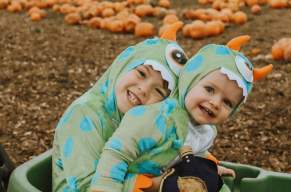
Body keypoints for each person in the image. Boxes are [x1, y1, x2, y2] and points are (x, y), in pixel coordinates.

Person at [90, 35, 273, 192]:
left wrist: (210, 166)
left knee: (214, 184)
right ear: (189, 81)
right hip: (127, 182)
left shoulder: (205, 129)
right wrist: (106, 187)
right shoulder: (156, 118)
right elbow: (116, 153)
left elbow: (192, 150)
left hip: (164, 179)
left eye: (227, 102)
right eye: (209, 89)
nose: (215, 103)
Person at [52, 22, 188, 192]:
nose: (144, 89)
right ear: (123, 65)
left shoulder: (147, 122)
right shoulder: (85, 115)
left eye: (159, 91)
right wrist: (156, 184)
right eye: (141, 73)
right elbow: (85, 184)